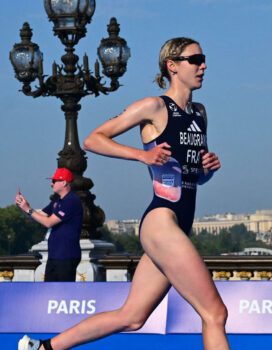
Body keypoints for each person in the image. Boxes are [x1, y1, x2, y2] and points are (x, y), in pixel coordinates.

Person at [18, 37, 230, 350]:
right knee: (215, 313)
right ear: (172, 66)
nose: (203, 65)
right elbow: (93, 140)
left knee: (132, 316)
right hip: (162, 222)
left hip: (179, 222)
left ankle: (43, 348)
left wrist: (206, 169)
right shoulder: (154, 107)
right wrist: (142, 155)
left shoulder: (200, 113)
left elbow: (192, 179)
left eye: (203, 58)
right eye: (194, 59)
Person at [15, 167, 83, 282]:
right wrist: (24, 206)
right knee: (50, 291)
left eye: (54, 181)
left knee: (63, 292)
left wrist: (28, 209)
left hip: (66, 255)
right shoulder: (58, 201)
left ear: (64, 182)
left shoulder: (71, 201)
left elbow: (48, 222)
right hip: (55, 255)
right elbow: (42, 214)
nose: (51, 184)